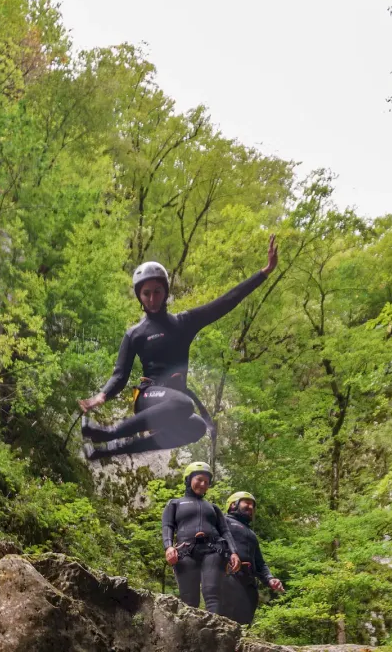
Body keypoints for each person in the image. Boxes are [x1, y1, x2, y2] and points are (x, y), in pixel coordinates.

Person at [78, 235, 278, 460]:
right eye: (146, 293)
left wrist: (264, 272)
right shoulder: (135, 333)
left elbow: (226, 301)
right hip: (148, 396)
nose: (152, 298)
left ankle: (106, 451)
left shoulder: (184, 323)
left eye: (157, 292)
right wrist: (101, 396)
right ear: (139, 296)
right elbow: (120, 375)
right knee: (184, 404)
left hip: (173, 402)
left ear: (165, 293)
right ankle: (108, 433)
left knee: (197, 427)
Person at [161, 462, 241, 613]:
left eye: (206, 482)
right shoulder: (175, 503)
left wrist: (234, 552)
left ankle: (215, 633)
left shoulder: (213, 508)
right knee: (189, 598)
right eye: (199, 479)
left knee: (212, 594)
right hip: (185, 552)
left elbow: (225, 531)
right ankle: (191, 633)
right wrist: (168, 547)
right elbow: (167, 526)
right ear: (189, 479)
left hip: (213, 550)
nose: (203, 484)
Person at [219, 491, 284, 625]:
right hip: (227, 577)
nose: (251, 508)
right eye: (247, 503)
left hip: (248, 583)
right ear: (233, 505)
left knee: (243, 625)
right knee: (224, 623)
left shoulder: (251, 534)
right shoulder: (224, 522)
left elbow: (259, 563)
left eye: (253, 506)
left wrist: (270, 579)